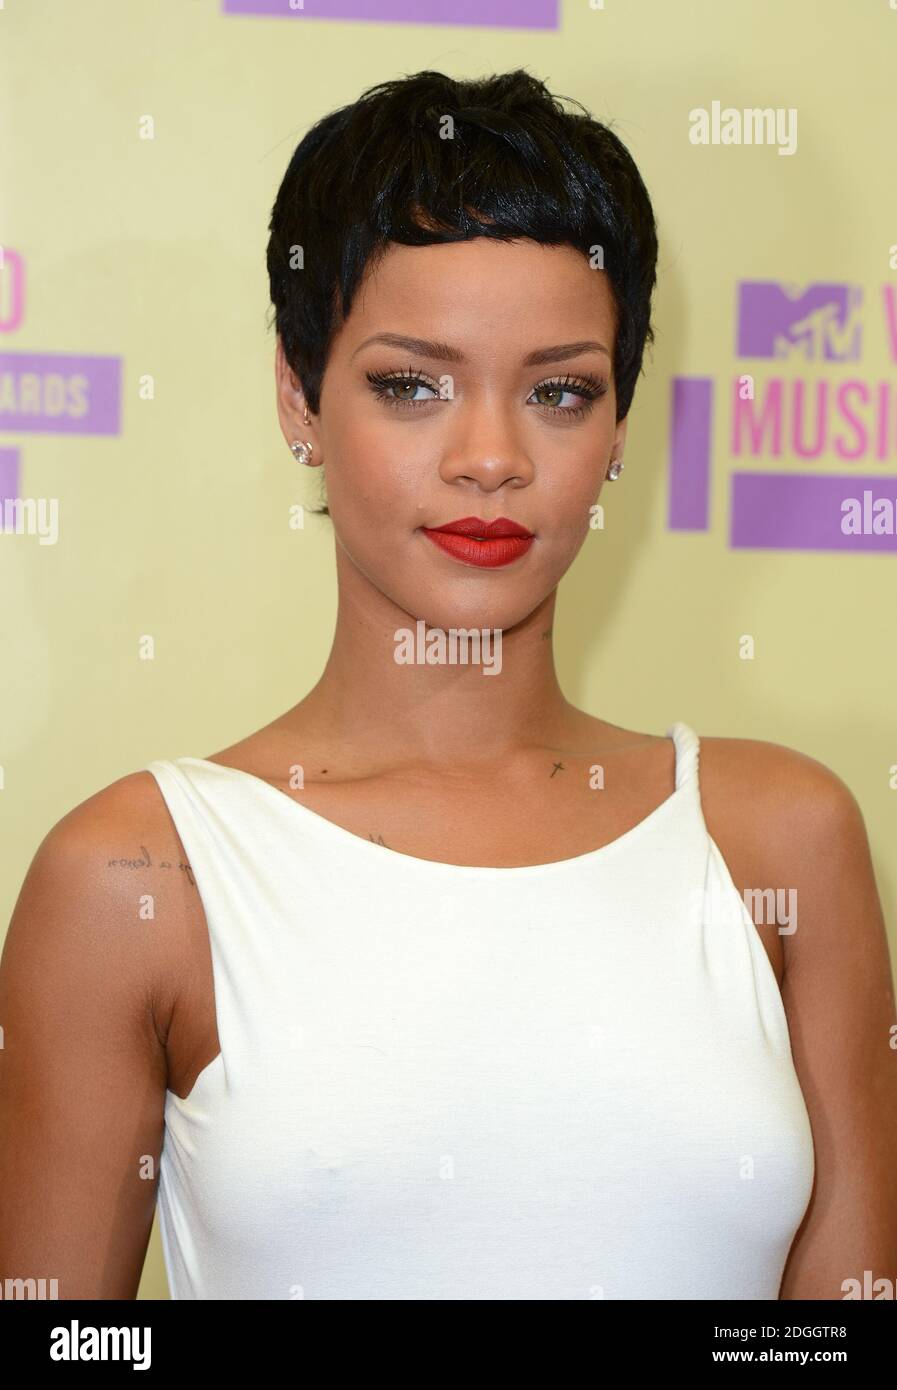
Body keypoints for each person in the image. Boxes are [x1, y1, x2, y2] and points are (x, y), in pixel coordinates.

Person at [1, 69, 895, 1301]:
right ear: (297, 394)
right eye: (412, 384)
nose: (490, 457)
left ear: (623, 423)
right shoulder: (140, 875)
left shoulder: (779, 840)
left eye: (559, 390)